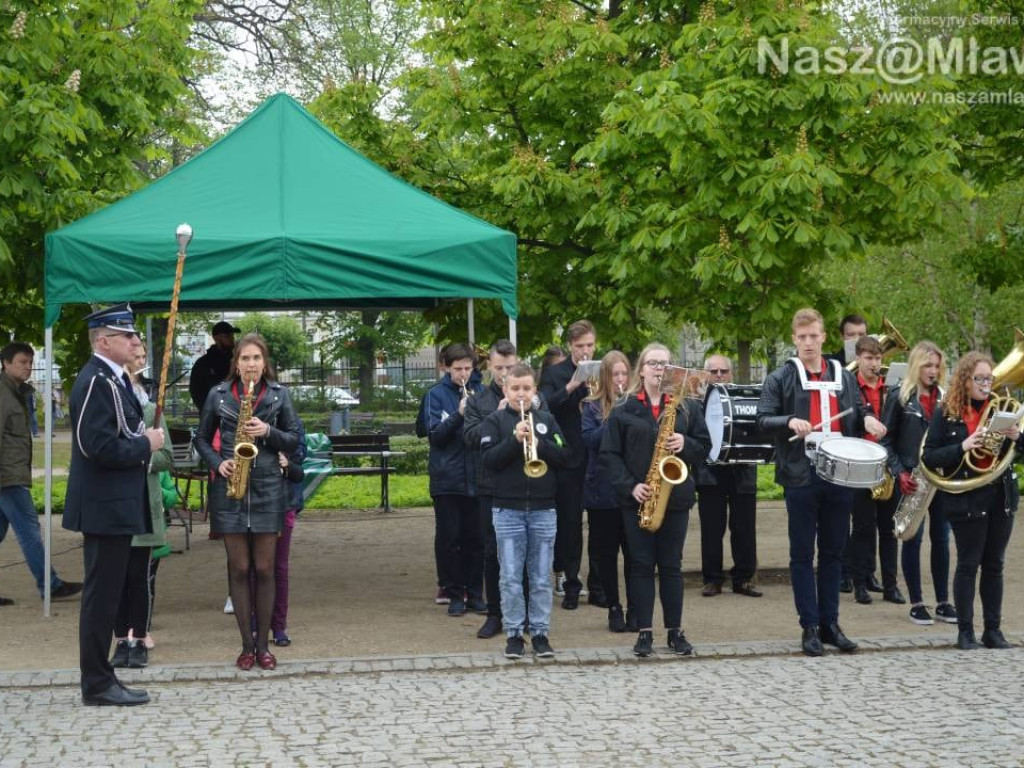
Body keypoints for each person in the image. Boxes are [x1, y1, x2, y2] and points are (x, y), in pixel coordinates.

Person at [756, 308, 886, 657]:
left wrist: (870, 420)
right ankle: (809, 626)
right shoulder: (781, 376)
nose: (809, 343)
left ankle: (831, 623)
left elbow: (858, 411)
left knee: (833, 552)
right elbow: (763, 419)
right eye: (802, 337)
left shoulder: (842, 375)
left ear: (824, 336)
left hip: (838, 474)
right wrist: (790, 421)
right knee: (802, 554)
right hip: (801, 474)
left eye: (814, 336)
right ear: (794, 339)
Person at [64, 303, 165, 706]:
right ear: (103, 341)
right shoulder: (96, 381)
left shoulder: (115, 379)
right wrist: (147, 445)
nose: (134, 341)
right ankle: (97, 683)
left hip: (116, 504)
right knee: (101, 597)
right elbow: (96, 445)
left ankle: (102, 678)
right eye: (126, 336)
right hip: (105, 505)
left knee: (105, 595)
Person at [194, 333, 301, 671]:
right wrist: (217, 462)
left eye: (256, 359)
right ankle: (245, 646)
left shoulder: (280, 396)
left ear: (264, 362)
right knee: (239, 569)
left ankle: (264, 646)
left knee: (266, 569)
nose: (251, 365)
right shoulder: (219, 395)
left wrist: (268, 432)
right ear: (236, 364)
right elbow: (200, 438)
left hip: (269, 486)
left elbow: (295, 440)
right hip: (231, 488)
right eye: (245, 359)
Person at [600, 344, 712, 657]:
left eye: (664, 364)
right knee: (640, 565)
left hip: (675, 498)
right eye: (652, 363)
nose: (659, 369)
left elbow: (704, 448)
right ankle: (645, 632)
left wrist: (684, 442)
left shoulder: (686, 407)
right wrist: (630, 487)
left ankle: (675, 631)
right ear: (642, 369)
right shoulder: (623, 408)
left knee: (671, 566)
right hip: (638, 498)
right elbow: (609, 455)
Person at [922, 352, 1022, 650]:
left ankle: (993, 630)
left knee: (995, 564)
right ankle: (965, 631)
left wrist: (1017, 435)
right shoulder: (947, 413)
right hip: (966, 497)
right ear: (965, 380)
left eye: (988, 378)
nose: (984, 384)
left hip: (1000, 496)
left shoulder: (1003, 410)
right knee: (968, 564)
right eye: (978, 379)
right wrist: (964, 445)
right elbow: (929, 456)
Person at [480, 363, 568, 659]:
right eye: (515, 388)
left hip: (544, 510)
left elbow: (565, 456)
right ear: (505, 390)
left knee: (542, 576)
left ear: (535, 391)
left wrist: (539, 445)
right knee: (510, 576)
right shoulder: (495, 421)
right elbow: (488, 460)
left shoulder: (547, 420)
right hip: (507, 510)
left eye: (526, 388)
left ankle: (540, 633)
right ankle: (514, 634)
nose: (521, 394)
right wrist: (513, 440)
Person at [880, 341, 955, 626]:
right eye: (927, 365)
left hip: (941, 478)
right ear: (916, 366)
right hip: (911, 477)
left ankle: (944, 602)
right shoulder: (899, 396)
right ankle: (916, 602)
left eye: (937, 366)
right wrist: (899, 472)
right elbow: (886, 440)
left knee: (942, 540)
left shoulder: (948, 398)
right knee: (911, 537)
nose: (933, 371)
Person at [0, 342, 83, 602]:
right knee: (29, 531)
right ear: (6, 363)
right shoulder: (3, 395)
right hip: (7, 477)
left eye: (30, 362)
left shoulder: (15, 392)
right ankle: (50, 584)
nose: (28, 367)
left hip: (10, 474)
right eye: (22, 362)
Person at [110, 343, 174, 669]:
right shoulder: (108, 406)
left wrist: (139, 454)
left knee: (139, 577)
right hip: (113, 506)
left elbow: (166, 456)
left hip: (143, 504)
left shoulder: (152, 411)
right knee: (116, 578)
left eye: (138, 358)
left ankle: (140, 637)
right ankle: (121, 639)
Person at [463, 339, 522, 639]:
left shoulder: (531, 397)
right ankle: (495, 613)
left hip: (525, 485)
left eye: (510, 367)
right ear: (489, 367)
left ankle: (522, 615)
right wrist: (497, 417)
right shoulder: (478, 401)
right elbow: (470, 437)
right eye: (499, 368)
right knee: (492, 552)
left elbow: (549, 431)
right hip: (491, 486)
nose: (504, 373)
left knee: (525, 551)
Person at [540, 320, 599, 610]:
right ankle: (571, 583)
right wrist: (572, 385)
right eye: (579, 347)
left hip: (599, 456)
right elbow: (544, 405)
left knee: (601, 523)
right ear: (570, 347)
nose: (585, 351)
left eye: (589, 345)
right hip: (570, 459)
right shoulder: (555, 373)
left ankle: (600, 584)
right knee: (570, 523)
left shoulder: (603, 370)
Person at [426, 343, 485, 617]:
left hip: (476, 476)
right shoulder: (435, 395)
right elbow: (435, 435)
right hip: (447, 477)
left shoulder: (480, 392)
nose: (463, 374)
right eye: (458, 369)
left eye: (467, 368)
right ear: (446, 367)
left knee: (476, 539)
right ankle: (454, 593)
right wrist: (459, 415)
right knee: (449, 538)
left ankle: (475, 593)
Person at [696, 354, 761, 599]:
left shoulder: (743, 396)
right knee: (712, 528)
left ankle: (743, 579)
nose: (720, 375)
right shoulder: (696, 401)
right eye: (714, 371)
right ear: (706, 374)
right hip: (709, 471)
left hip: (742, 469)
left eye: (724, 371)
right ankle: (712, 579)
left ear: (731, 374)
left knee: (744, 527)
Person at [847, 336, 903, 606]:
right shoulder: (850, 388)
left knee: (889, 529)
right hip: (860, 465)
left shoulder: (891, 389)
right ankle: (860, 584)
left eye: (878, 358)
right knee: (862, 529)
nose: (874, 363)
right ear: (858, 358)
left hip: (887, 465)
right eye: (868, 358)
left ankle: (891, 585)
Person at [582, 350, 635, 632]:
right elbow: (589, 440)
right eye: (615, 374)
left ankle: (635, 608)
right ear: (605, 377)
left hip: (631, 488)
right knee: (606, 553)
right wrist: (613, 418)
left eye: (624, 373)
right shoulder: (590, 406)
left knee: (634, 553)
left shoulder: (637, 403)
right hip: (601, 490)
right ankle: (614, 607)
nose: (620, 379)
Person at [189, 320, 239, 411]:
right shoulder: (203, 363)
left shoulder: (237, 361)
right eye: (227, 336)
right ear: (216, 338)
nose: (232, 339)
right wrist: (208, 411)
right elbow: (196, 392)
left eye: (232, 336)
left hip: (235, 415)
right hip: (212, 417)